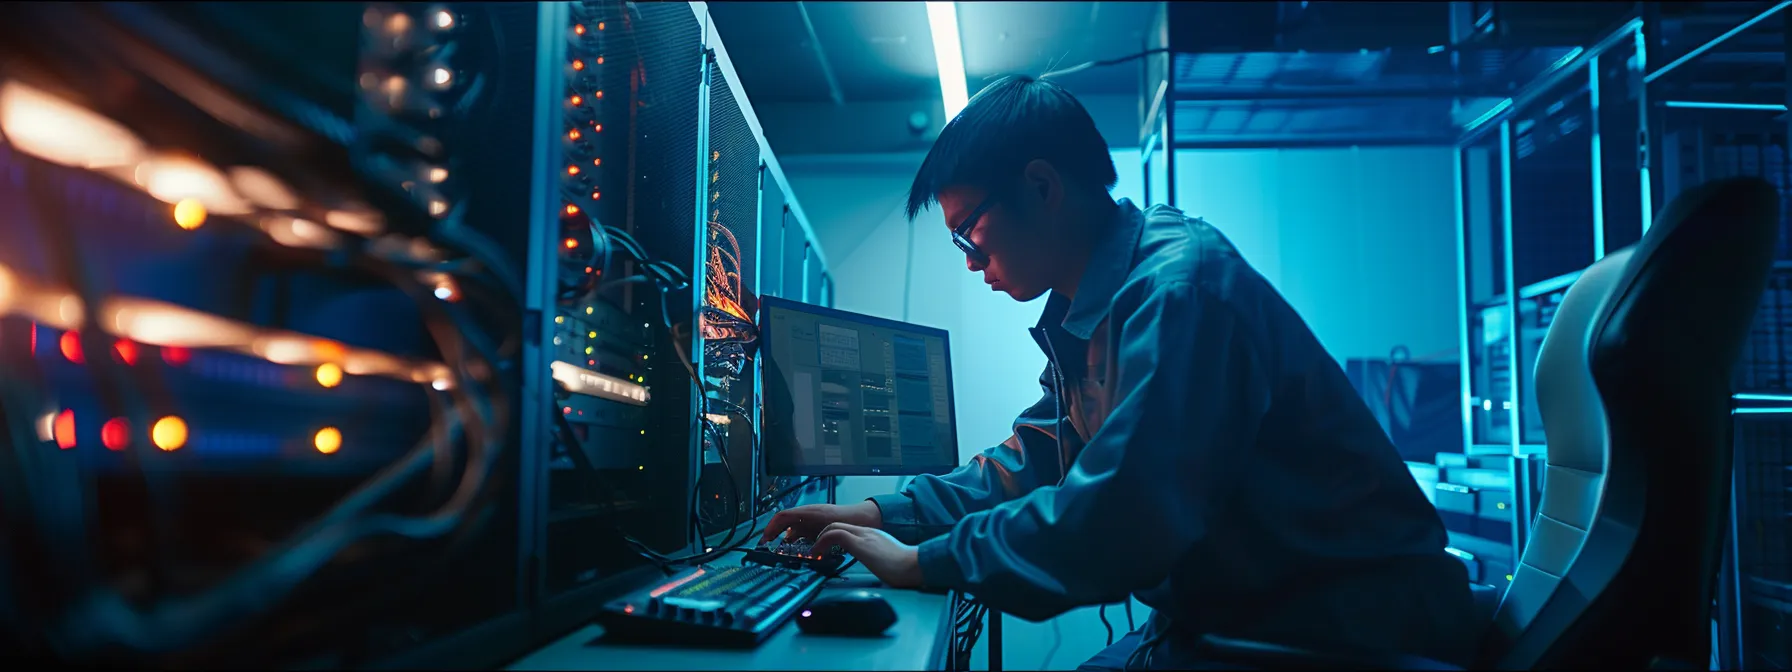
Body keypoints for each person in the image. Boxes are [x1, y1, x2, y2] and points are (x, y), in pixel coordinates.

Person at [760, 75, 1480, 670]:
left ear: (1041, 187)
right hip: (1244, 620)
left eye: (969, 234)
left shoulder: (1180, 292)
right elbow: (1036, 457)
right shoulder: (1096, 305)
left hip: (1334, 631)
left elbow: (1122, 514)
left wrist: (924, 562)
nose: (972, 261)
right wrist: (881, 516)